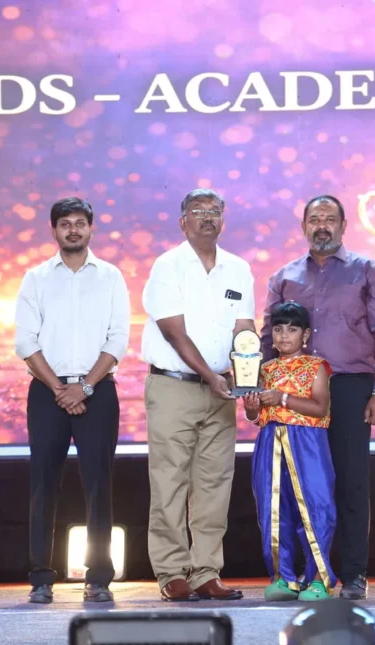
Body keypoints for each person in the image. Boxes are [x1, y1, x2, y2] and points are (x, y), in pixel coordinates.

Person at [260, 195, 375, 600]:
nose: (322, 226)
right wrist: (260, 387)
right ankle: (300, 574)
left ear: (343, 226)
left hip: (350, 387)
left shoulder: (369, 271)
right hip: (294, 392)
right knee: (299, 485)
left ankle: (353, 573)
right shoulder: (284, 276)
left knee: (351, 482)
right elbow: (268, 338)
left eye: (330, 219)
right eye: (315, 219)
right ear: (304, 226)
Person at [14, 197, 130, 604]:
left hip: (97, 391)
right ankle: (40, 577)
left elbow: (118, 338)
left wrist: (85, 387)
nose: (74, 230)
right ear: (54, 230)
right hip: (47, 393)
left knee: (99, 485)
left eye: (80, 223)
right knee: (43, 484)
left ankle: (98, 577)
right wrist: (61, 390)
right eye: (66, 224)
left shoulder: (111, 276)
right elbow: (25, 342)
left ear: (91, 229)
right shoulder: (36, 278)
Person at [141, 188, 255, 602]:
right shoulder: (168, 266)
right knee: (169, 481)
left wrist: (249, 383)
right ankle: (171, 571)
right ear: (182, 221)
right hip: (174, 387)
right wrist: (210, 375)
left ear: (223, 219)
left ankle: (206, 570)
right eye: (197, 211)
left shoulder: (238, 269)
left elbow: (245, 331)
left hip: (221, 390)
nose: (206, 218)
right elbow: (174, 332)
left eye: (213, 211)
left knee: (214, 483)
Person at [244, 301, 337, 602]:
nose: (284, 335)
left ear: (305, 335)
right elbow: (257, 417)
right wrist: (251, 408)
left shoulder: (317, 367)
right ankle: (283, 578)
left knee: (316, 506)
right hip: (270, 442)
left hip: (307, 443)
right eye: (278, 329)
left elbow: (320, 408)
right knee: (273, 509)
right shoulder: (265, 369)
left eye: (292, 329)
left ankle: (318, 579)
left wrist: (282, 398)